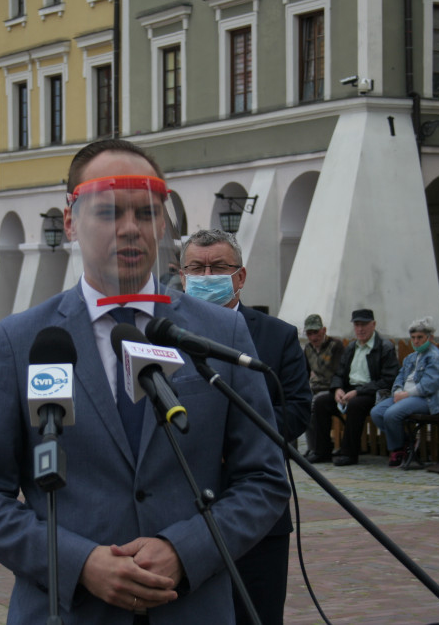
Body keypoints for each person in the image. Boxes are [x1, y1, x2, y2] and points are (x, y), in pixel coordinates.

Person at [0, 139, 290, 624]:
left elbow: (264, 479)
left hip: (190, 609)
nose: (131, 229)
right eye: (109, 212)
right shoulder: (20, 341)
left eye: (147, 213)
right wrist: (79, 563)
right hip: (71, 612)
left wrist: (184, 550)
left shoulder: (220, 331)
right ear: (70, 221)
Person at [179, 228, 311, 625]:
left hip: (256, 511)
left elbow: (297, 410)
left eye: (218, 267)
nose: (206, 276)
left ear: (241, 276)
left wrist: (232, 444)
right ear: (181, 274)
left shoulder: (278, 336)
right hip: (180, 511)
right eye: (196, 268)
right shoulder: (160, 331)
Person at [307, 308, 399, 466]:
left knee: (355, 405)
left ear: (373, 325)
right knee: (321, 403)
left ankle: (349, 453)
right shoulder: (351, 347)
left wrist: (358, 391)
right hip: (350, 390)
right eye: (357, 325)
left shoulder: (384, 347)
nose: (360, 329)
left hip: (373, 393)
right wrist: (337, 389)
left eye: (364, 325)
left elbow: (388, 380)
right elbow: (339, 374)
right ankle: (321, 451)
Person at [370, 317, 439, 467]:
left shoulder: (435, 357)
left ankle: (397, 449)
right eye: (413, 338)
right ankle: (407, 441)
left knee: (391, 414)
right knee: (377, 412)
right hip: (406, 397)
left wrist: (405, 395)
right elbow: (400, 377)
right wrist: (398, 390)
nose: (416, 341)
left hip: (428, 399)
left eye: (420, 337)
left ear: (430, 337)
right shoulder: (411, 357)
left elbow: (429, 385)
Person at [301, 313, 344, 456]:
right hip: (314, 387)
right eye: (309, 333)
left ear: (324, 330)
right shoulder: (308, 348)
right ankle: (308, 447)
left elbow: (340, 372)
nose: (314, 337)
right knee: (300, 402)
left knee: (314, 403)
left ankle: (319, 448)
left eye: (316, 332)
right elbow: (304, 373)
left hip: (331, 388)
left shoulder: (335, 345)